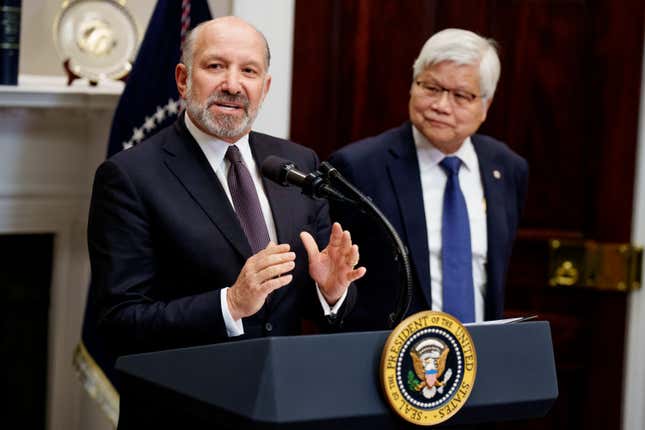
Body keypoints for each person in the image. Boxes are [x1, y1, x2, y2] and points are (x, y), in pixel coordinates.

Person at [87, 16, 366, 384]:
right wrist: (230, 304)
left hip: (281, 398)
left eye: (249, 71)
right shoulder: (129, 176)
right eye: (215, 66)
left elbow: (300, 307)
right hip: (185, 402)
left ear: (264, 87)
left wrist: (329, 292)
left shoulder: (298, 163)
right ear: (183, 79)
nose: (232, 85)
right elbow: (119, 321)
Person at [328, 28, 528, 329]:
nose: (441, 106)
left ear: (485, 106)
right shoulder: (358, 168)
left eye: (461, 95)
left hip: (478, 357)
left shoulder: (507, 168)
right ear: (413, 85)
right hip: (388, 358)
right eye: (431, 88)